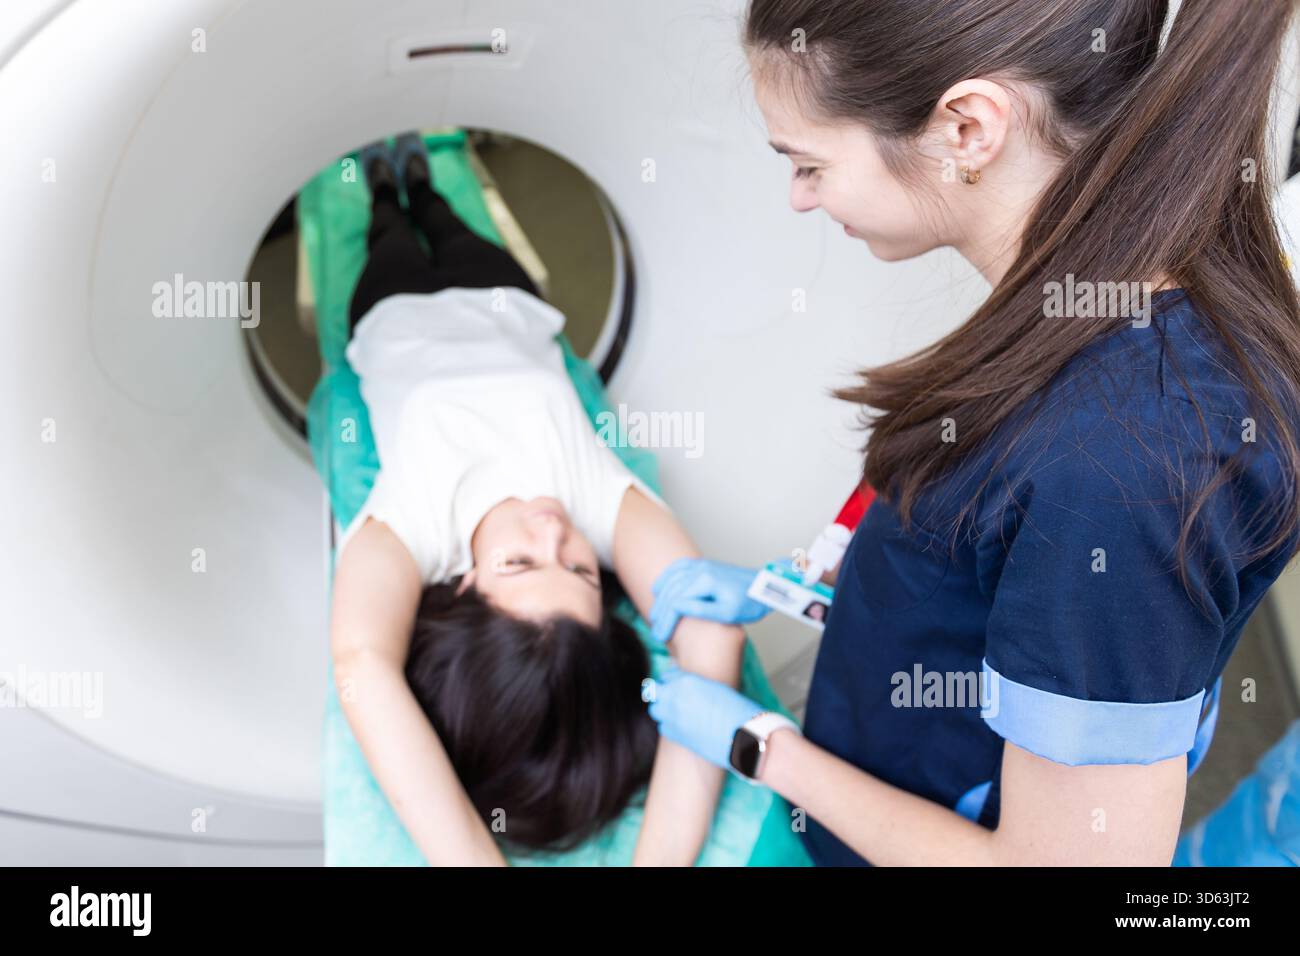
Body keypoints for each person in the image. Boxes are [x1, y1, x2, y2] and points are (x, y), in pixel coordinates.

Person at [645, 0, 1300, 866]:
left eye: (808, 164)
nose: (801, 199)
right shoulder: (1093, 292)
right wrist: (793, 595)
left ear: (967, 126)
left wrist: (761, 748)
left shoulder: (1124, 466)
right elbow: (992, 562)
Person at [328, 134, 746, 865]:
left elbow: (363, 662)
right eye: (583, 572)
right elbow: (713, 637)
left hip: (393, 311)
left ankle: (393, 187)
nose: (553, 529)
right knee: (456, 228)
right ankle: (416, 181)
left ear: (462, 586)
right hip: (506, 301)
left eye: (521, 563)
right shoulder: (591, 495)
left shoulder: (416, 520)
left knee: (391, 233)